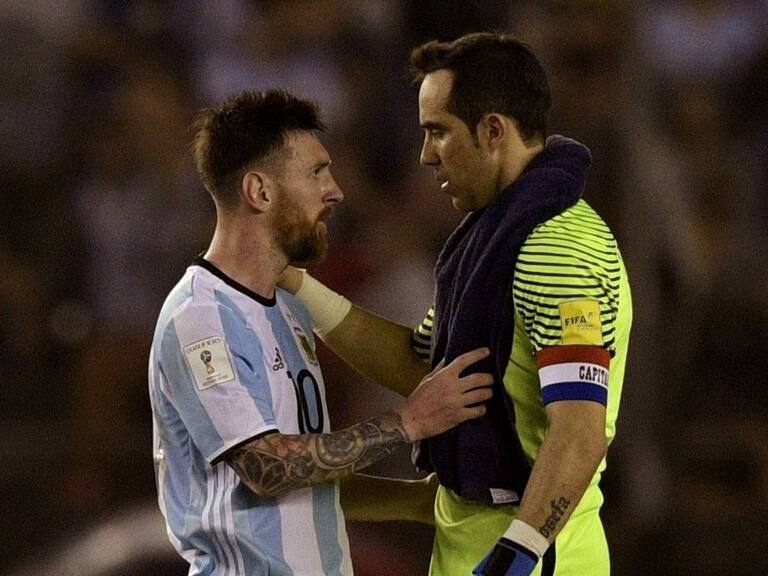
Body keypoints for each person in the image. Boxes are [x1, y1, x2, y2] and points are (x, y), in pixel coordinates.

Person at [280, 32, 632, 576]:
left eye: (438, 132)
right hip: (472, 542)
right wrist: (298, 285)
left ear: (493, 131)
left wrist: (514, 558)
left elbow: (578, 430)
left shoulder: (556, 248)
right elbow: (424, 367)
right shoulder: (490, 239)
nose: (425, 155)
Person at [147, 89, 495, 576]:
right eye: (316, 173)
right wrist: (410, 420)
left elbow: (309, 473)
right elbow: (268, 468)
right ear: (259, 191)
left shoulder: (288, 310)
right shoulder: (201, 317)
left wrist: (417, 502)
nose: (336, 191)